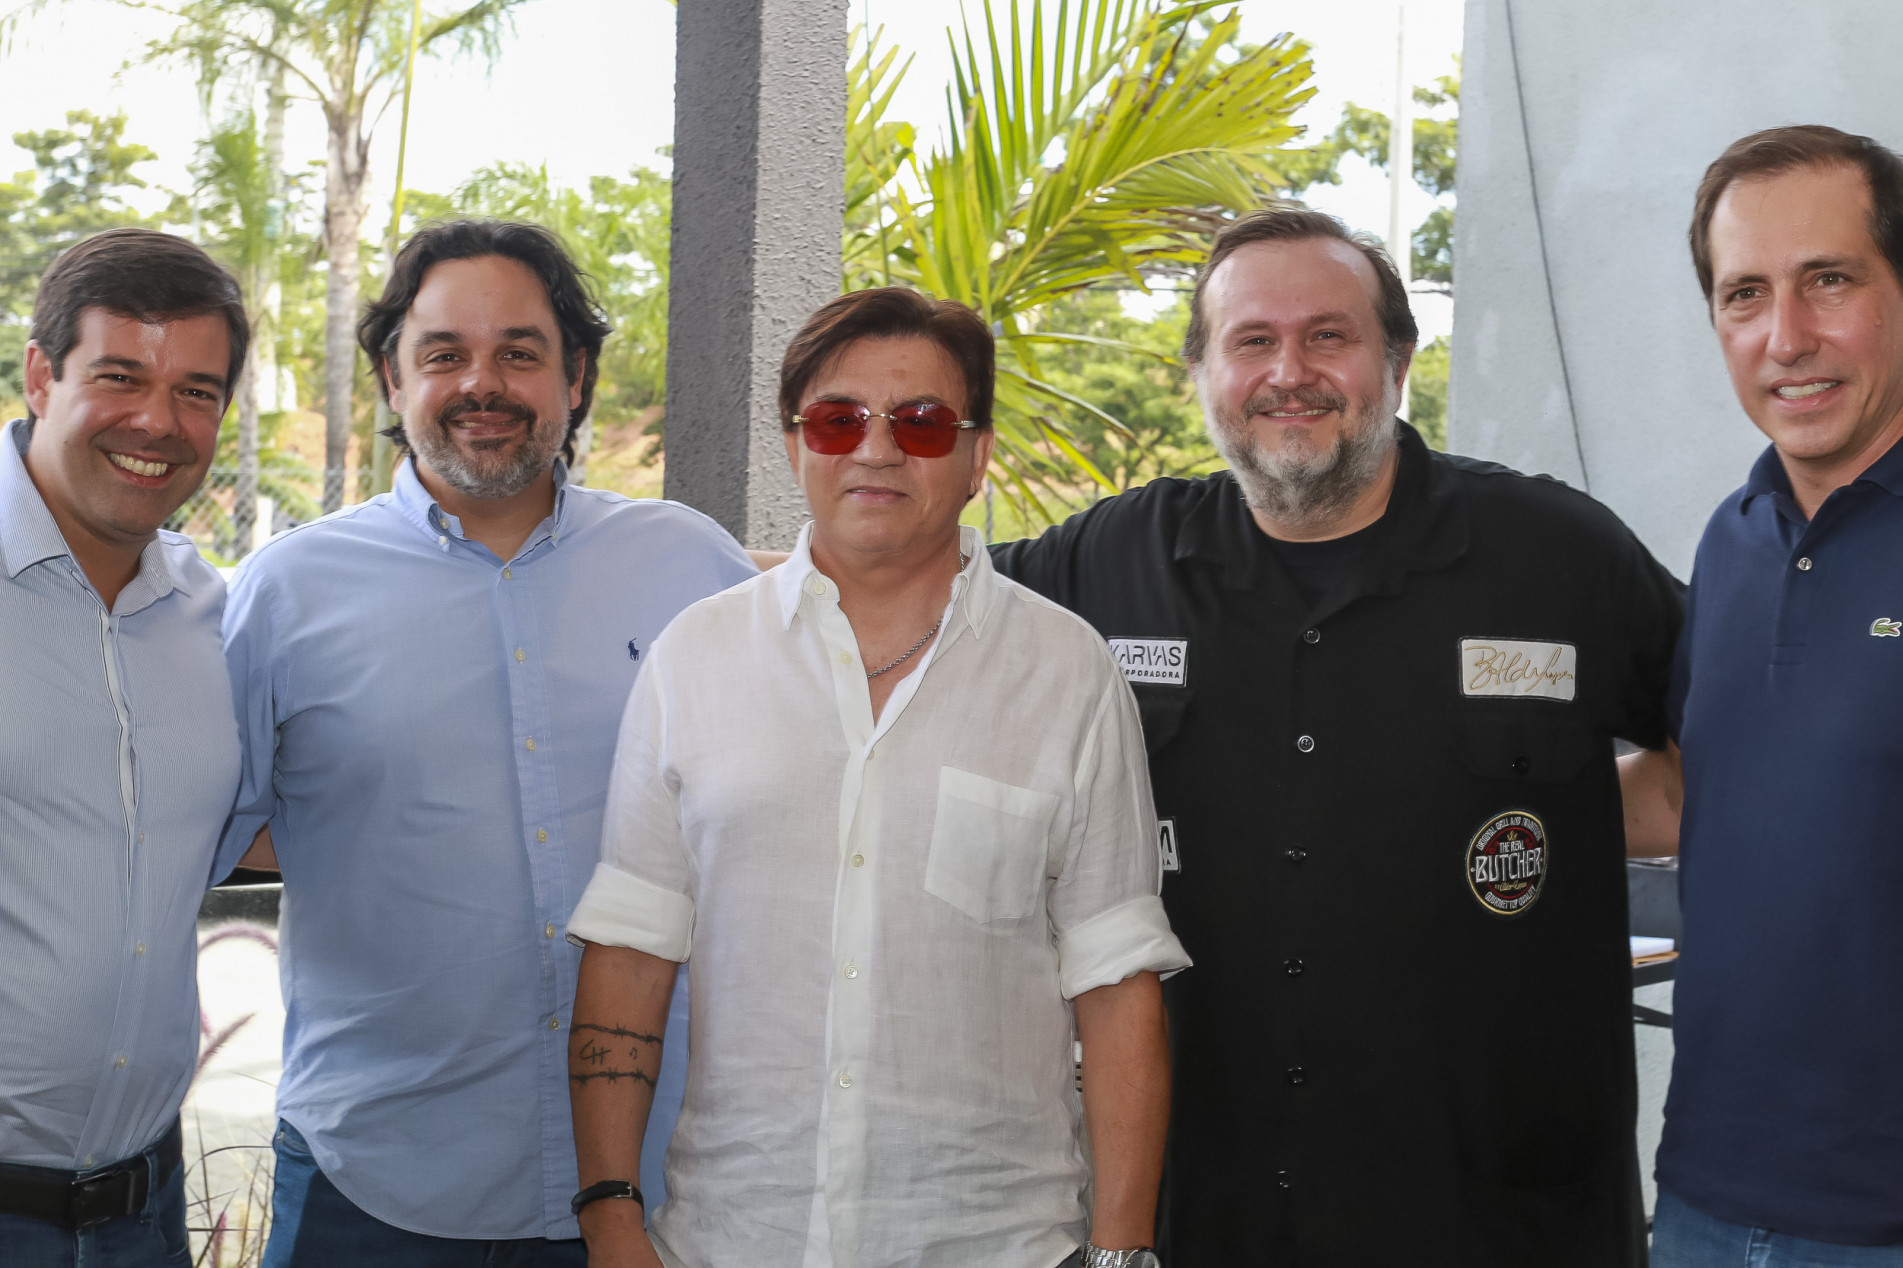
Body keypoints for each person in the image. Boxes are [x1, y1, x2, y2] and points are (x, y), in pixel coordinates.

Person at [987, 208, 1684, 1265]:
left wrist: (1572, 816)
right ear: (1200, 371)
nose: (1289, 372)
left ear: (1397, 362)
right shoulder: (1112, 560)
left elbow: (1736, 740)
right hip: (1209, 1205)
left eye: (1328, 335)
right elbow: (900, 590)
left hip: (1494, 1214)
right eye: (1251, 340)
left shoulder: (1557, 556)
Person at [565, 286, 1188, 1268]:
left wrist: (1120, 1251)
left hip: (999, 1243)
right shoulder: (695, 658)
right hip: (731, 1238)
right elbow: (631, 955)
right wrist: (611, 1217)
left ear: (978, 455)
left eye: (924, 422)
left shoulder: (1066, 673)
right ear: (794, 444)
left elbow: (1114, 982)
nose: (876, 448)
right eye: (837, 418)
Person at [218, 220, 756, 1267]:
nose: (484, 382)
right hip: (371, 1181)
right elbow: (211, 828)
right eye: (444, 354)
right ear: (389, 375)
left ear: (577, 374)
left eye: (519, 350)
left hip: (658, 1184)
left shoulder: (692, 563)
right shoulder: (286, 593)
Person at [1623, 125, 1903, 1267]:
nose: (1786, 337)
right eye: (1745, 295)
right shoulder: (1732, 538)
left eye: (1827, 280)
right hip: (1704, 1193)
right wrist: (1464, 796)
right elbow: (1703, 786)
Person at [0, 228, 248, 1266]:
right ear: (41, 374)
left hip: (143, 1212)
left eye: (197, 389)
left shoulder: (214, 613)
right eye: (120, 376)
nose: (159, 420)